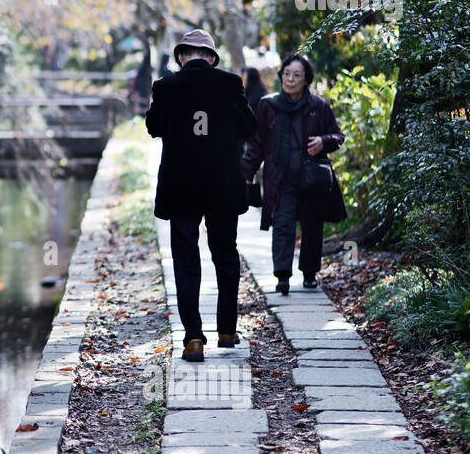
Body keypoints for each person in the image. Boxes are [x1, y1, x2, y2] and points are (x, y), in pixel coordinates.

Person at [145, 29, 257, 363]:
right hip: (222, 184)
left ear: (182, 56)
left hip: (181, 186)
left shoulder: (165, 87)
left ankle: (193, 337)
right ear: (210, 57)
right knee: (225, 254)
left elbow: (153, 127)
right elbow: (248, 127)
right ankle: (226, 330)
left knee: (185, 260)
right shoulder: (230, 84)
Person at [240, 52, 348, 295]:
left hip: (311, 179)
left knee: (312, 227)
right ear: (281, 76)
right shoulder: (268, 105)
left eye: (296, 75)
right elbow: (256, 144)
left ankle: (309, 274)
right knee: (283, 225)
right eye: (286, 74)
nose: (290, 79)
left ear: (306, 79)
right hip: (280, 179)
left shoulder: (318, 106)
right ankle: (282, 276)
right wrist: (246, 172)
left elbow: (337, 136)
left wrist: (323, 141)